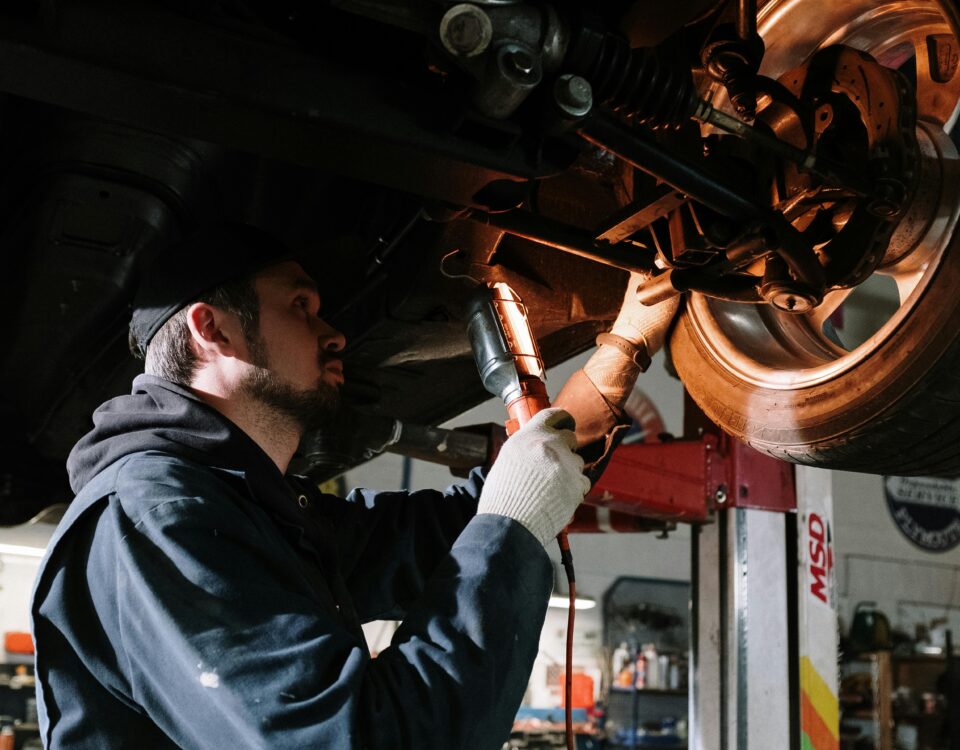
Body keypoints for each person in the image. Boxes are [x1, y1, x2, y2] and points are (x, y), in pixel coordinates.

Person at [30, 222, 678, 749]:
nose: (334, 332)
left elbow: (453, 532)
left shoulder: (254, 512)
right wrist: (514, 523)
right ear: (213, 330)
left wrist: (623, 349)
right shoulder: (150, 517)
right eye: (301, 306)